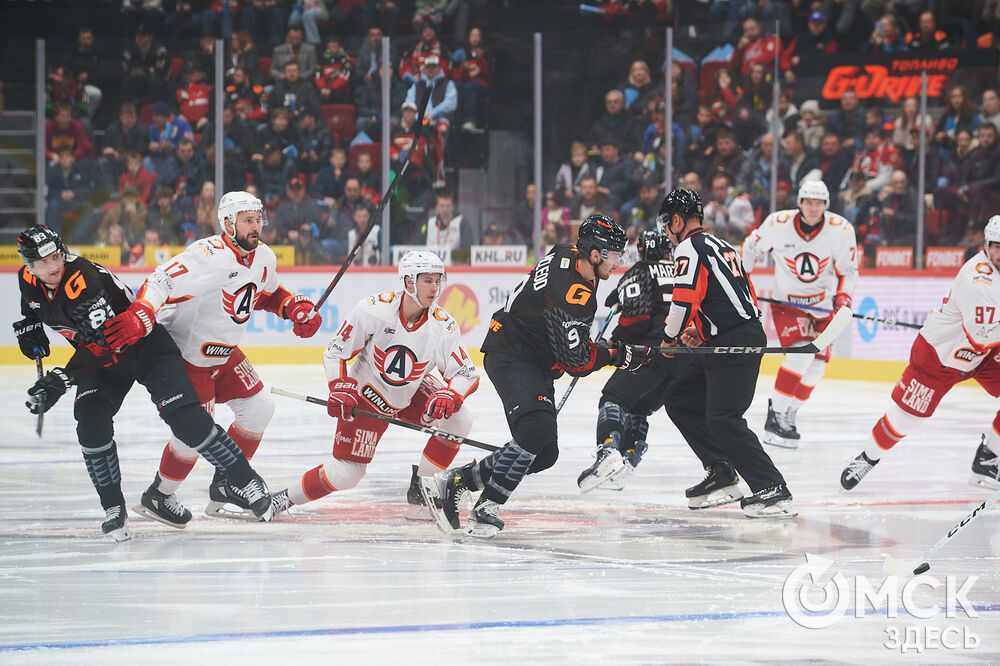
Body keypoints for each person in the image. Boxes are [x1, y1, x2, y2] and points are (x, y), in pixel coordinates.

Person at [11, 225, 274, 541]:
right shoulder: (26, 280)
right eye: (42, 263)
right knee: (90, 422)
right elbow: (33, 304)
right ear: (29, 266)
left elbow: (101, 342)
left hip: (143, 348)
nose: (53, 267)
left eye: (56, 257)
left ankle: (244, 479)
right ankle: (113, 509)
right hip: (102, 363)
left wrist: (62, 378)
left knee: (187, 419)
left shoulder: (84, 282)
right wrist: (29, 329)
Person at [420, 215, 655, 537]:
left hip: (529, 357)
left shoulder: (565, 252)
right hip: (513, 355)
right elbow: (577, 361)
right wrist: (617, 355)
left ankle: (458, 481)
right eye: (615, 255)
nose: (619, 262)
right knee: (536, 429)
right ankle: (487, 505)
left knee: (544, 452)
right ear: (596, 254)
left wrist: (595, 347)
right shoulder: (573, 291)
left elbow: (565, 340)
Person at [125, 191, 322, 526]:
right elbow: (159, 279)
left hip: (224, 354)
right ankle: (159, 495)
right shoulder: (207, 256)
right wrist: (143, 311)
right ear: (228, 223)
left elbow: (267, 293)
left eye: (258, 219)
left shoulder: (263, 257)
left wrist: (293, 308)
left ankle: (226, 484)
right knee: (192, 436)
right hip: (188, 358)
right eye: (247, 220)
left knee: (260, 407)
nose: (255, 226)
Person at [266, 251, 480, 519]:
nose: (435, 288)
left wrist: (451, 393)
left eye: (438, 280)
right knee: (346, 474)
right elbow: (335, 351)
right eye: (427, 280)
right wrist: (338, 387)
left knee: (460, 419)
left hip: (411, 391)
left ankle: (423, 492)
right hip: (366, 398)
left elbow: (466, 372)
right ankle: (281, 500)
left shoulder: (443, 325)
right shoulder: (373, 309)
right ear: (409, 282)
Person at [658, 189, 797, 518]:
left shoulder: (688, 249)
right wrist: (703, 331)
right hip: (728, 339)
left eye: (666, 223)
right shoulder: (722, 245)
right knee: (679, 397)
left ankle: (773, 488)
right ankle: (721, 471)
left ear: (677, 220)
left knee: (724, 418)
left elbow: (683, 300)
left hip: (734, 343)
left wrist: (670, 336)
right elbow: (740, 295)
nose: (665, 230)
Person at [840, 217, 1000, 492]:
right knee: (907, 417)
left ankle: (987, 459)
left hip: (983, 355)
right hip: (940, 356)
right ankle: (868, 456)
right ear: (986, 246)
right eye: (998, 246)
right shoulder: (979, 278)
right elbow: (981, 336)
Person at [741, 179, 858, 448]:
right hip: (788, 304)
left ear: (826, 205)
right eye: (808, 202)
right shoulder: (778, 224)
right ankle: (775, 415)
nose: (813, 208)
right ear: (800, 203)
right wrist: (743, 279)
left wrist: (843, 297)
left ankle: (789, 413)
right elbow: (750, 247)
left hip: (824, 306)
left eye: (819, 203)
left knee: (816, 367)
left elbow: (848, 271)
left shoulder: (841, 230)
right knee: (802, 354)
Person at [577, 230, 675, 492]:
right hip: (684, 359)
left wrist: (612, 343)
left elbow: (636, 321)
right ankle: (628, 461)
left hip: (652, 351)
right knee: (638, 407)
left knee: (613, 397)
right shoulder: (680, 270)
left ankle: (608, 451)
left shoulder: (640, 271)